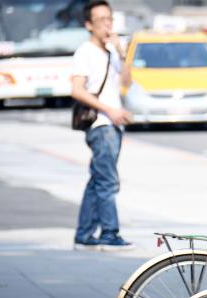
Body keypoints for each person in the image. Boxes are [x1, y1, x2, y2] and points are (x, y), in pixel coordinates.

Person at [71, 0, 133, 251]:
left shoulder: (110, 52)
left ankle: (84, 234)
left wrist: (120, 51)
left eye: (110, 19)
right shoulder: (85, 52)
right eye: (101, 20)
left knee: (97, 179)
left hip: (113, 125)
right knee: (108, 181)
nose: (107, 24)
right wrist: (110, 110)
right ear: (89, 25)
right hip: (101, 124)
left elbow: (127, 81)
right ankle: (109, 232)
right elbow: (76, 90)